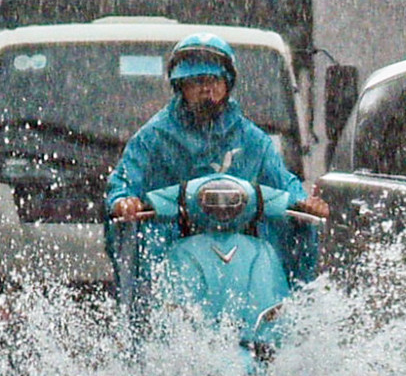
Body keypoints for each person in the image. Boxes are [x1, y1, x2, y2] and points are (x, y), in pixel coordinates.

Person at [106, 32, 329, 304]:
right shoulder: (153, 137)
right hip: (170, 243)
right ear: (181, 86)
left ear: (228, 84)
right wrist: (123, 202)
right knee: (144, 266)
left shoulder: (251, 138)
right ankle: (145, 326)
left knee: (291, 239)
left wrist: (304, 203)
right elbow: (124, 180)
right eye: (197, 81)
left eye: (213, 80)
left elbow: (282, 181)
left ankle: (295, 312)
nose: (206, 90)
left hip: (241, 241)